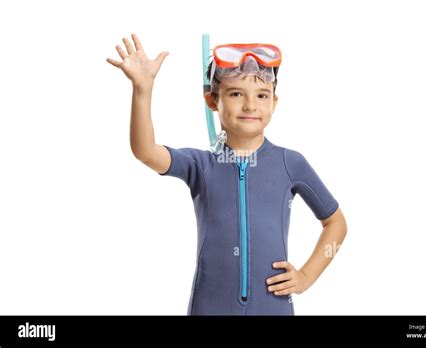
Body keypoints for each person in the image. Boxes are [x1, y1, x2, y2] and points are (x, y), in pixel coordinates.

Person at [107, 33, 348, 315]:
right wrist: (142, 89)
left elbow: (336, 223)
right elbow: (145, 151)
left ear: (275, 101)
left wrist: (306, 276)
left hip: (273, 307)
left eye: (262, 95)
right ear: (212, 100)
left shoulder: (291, 163)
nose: (250, 105)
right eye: (236, 94)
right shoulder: (200, 165)